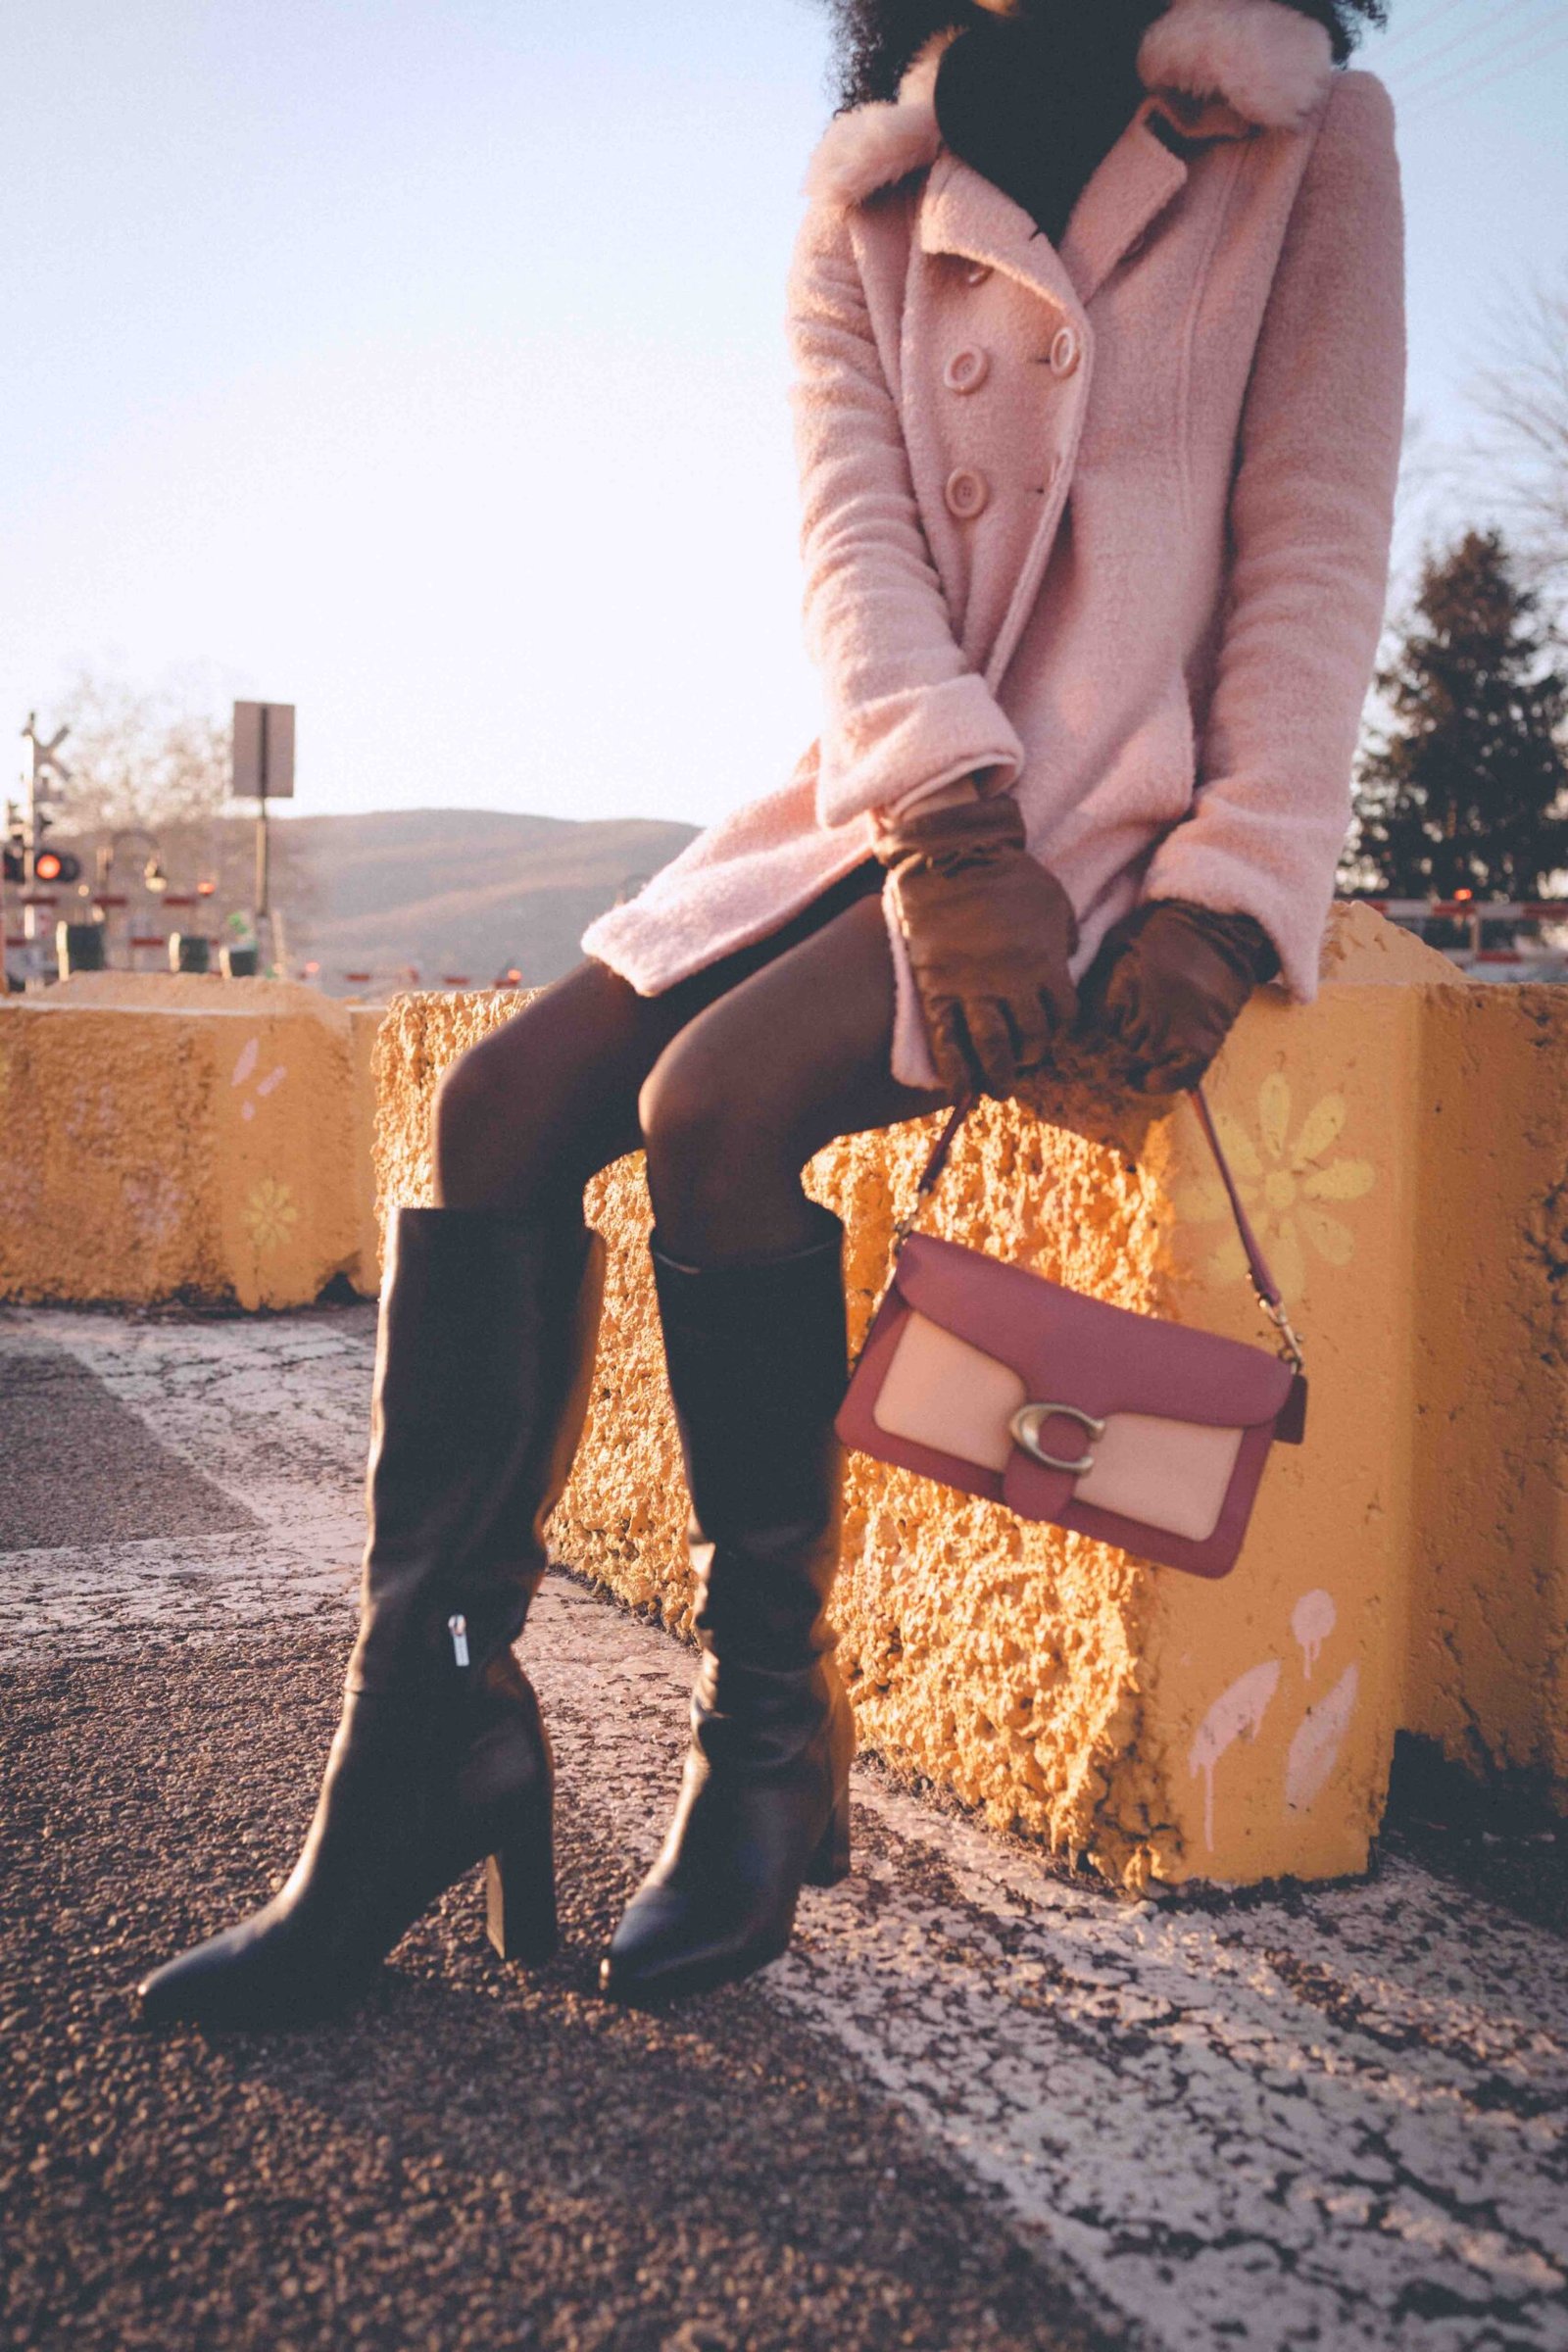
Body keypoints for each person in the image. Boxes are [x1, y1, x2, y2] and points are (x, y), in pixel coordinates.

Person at [138, 0, 1402, 2026]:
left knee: (719, 1110)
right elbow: (853, 534)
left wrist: (1233, 892)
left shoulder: (1296, 135)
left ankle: (764, 1742)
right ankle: (427, 1736)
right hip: (903, 797)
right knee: (500, 1105)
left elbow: (1313, 531)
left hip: (1123, 817)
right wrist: (943, 823)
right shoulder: (870, 185)